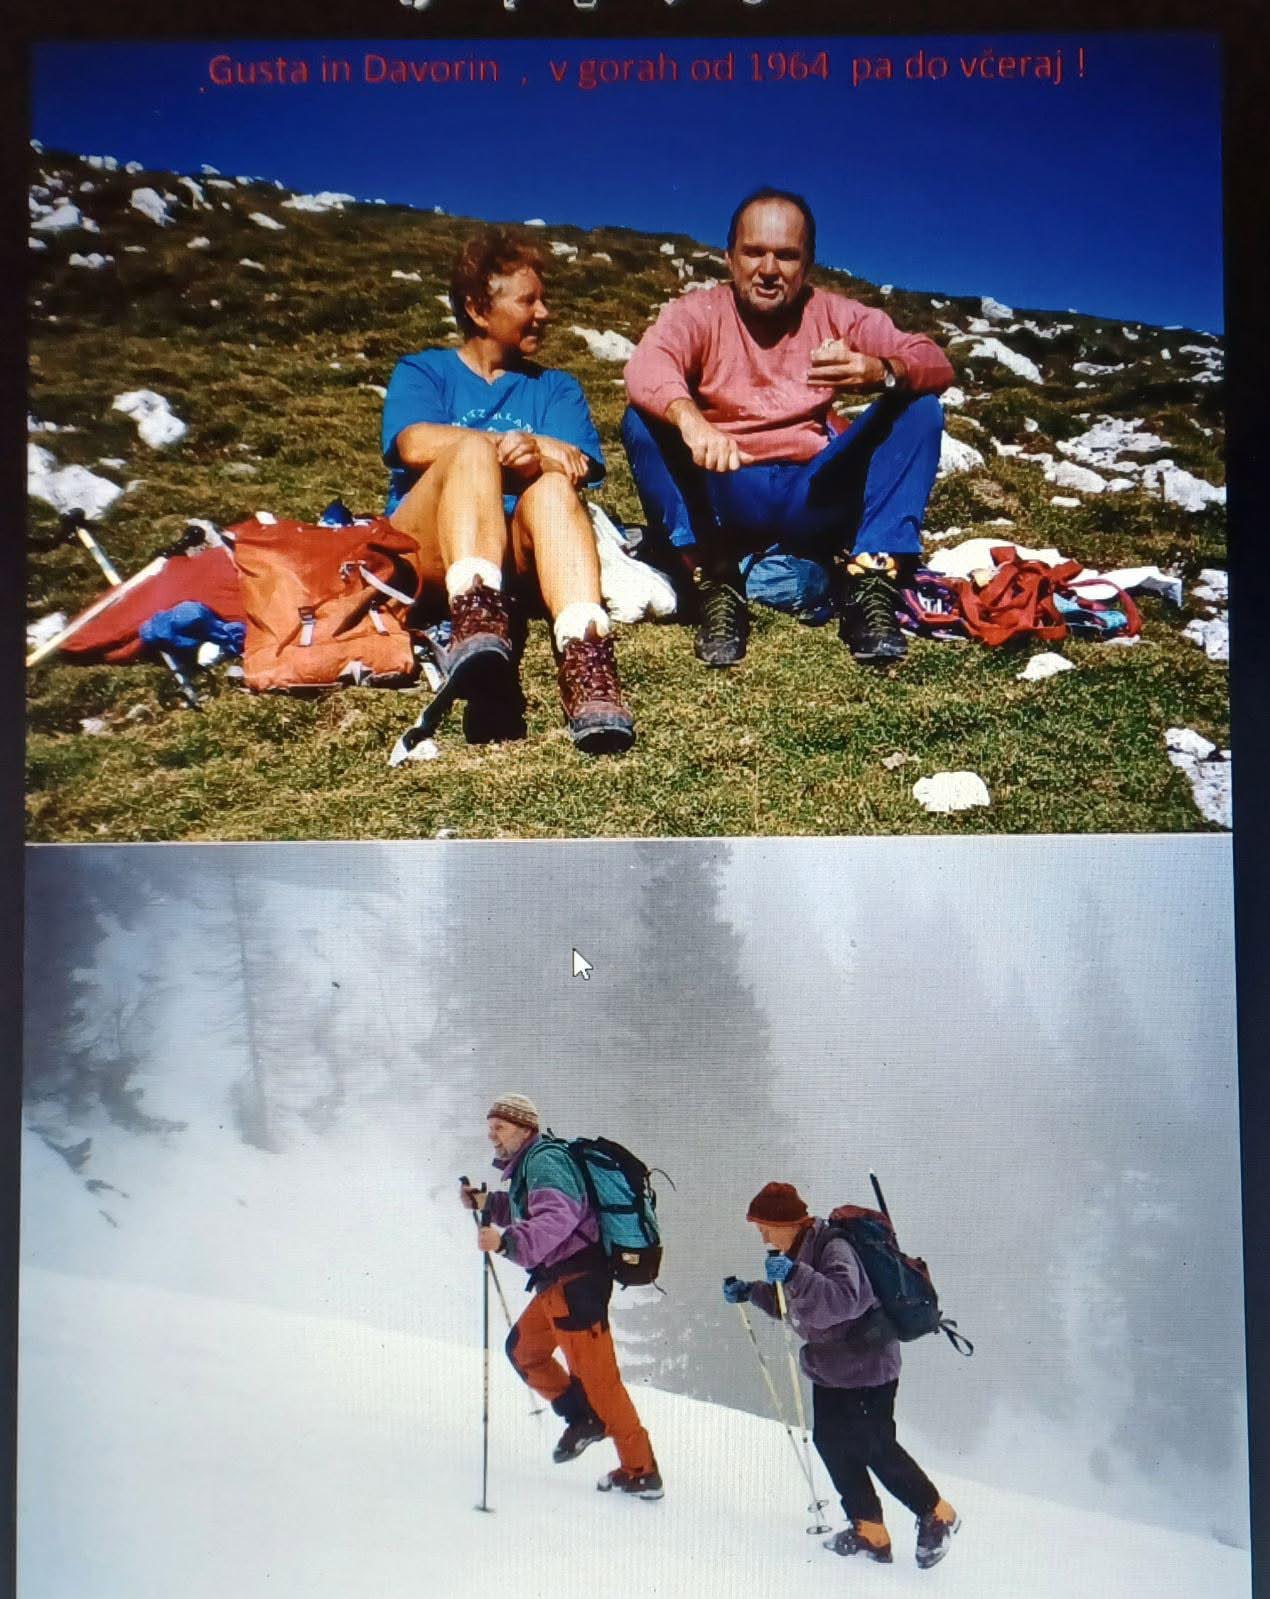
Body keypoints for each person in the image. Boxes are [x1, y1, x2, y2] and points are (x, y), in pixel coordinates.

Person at [622, 187, 955, 668]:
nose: (769, 270)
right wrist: (691, 421)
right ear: (729, 258)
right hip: (729, 482)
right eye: (754, 252)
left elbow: (934, 361)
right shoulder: (699, 312)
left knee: (919, 408)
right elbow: (648, 367)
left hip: (812, 492)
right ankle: (713, 579)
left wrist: (881, 369)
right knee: (643, 419)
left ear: (809, 265)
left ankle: (871, 581)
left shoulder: (837, 314)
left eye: (787, 255)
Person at [382, 230, 634, 753]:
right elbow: (412, 443)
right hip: (426, 555)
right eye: (528, 301)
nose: (544, 313)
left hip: (518, 560)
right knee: (472, 452)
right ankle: (473, 615)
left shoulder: (557, 387)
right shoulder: (424, 371)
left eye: (544, 300)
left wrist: (535, 458)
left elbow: (577, 464)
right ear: (478, 308)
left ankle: (585, 655)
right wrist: (511, 445)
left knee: (553, 488)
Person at [723, 1181, 958, 1568]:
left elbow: (843, 1301)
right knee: (832, 1444)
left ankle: (938, 1513)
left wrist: (795, 1275)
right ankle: (870, 1531)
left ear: (790, 1223)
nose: (761, 1234)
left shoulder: (835, 1248)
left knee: (876, 1448)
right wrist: (752, 1291)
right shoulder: (795, 1251)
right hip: (832, 1370)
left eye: (765, 1225)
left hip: (868, 1369)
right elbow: (798, 1308)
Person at [462, 1094, 663, 1499]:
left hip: (577, 1284)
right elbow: (532, 1208)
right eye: (490, 1129)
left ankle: (641, 1470)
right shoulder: (533, 1163)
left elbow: (557, 1216)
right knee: (524, 1351)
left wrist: (505, 1244)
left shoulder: (545, 1160)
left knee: (600, 1381)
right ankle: (584, 1418)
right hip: (558, 1283)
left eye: (499, 1128)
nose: (492, 1137)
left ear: (523, 1128)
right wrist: (490, 1204)